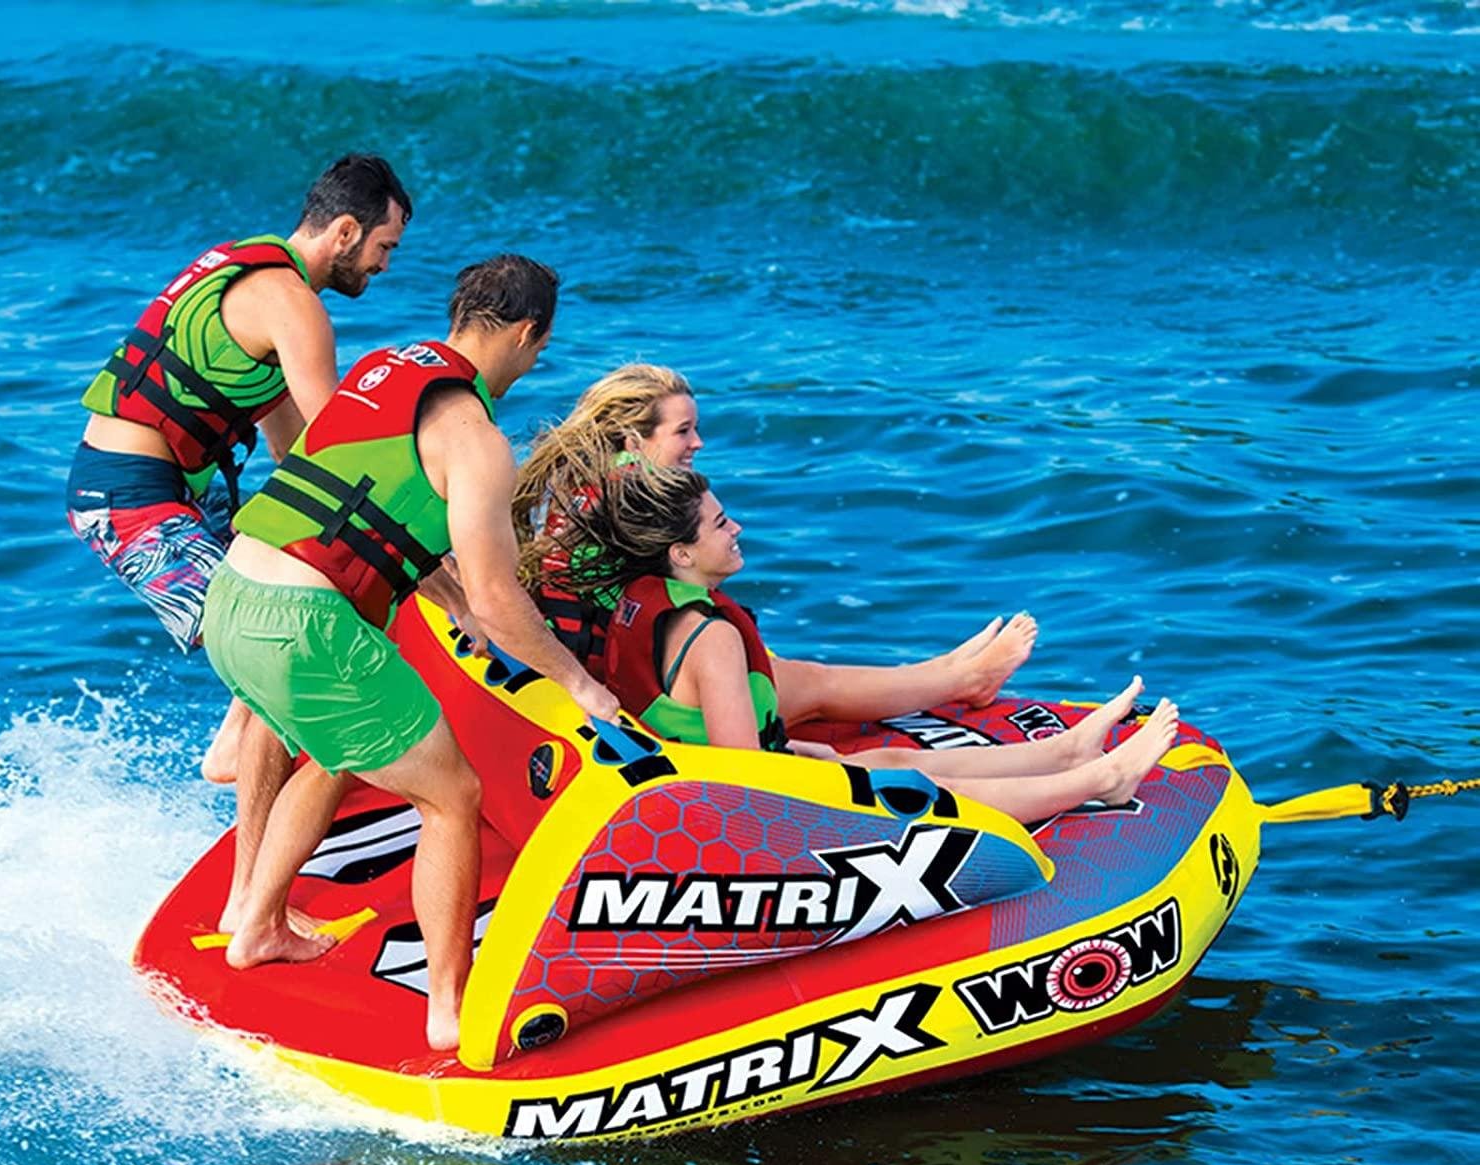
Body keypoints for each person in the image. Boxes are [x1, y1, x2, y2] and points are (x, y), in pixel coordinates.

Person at [201, 255, 620, 1054]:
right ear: (528, 334)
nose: (536, 363)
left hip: (233, 596)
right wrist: (579, 684)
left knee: (338, 753)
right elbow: (501, 597)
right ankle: (450, 1009)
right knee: (452, 796)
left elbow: (366, 511)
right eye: (540, 349)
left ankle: (254, 921)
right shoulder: (477, 440)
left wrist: (451, 602)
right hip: (307, 624)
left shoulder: (383, 369)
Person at [68, 152, 412, 784]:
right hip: (125, 497)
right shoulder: (293, 305)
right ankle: (237, 749)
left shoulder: (250, 271)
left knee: (311, 572)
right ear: (345, 232)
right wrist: (415, 529)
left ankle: (265, 739)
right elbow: (337, 446)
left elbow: (294, 449)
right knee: (271, 622)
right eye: (383, 247)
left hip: (170, 488)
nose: (384, 265)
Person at [591, 466, 1179, 824]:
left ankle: (1067, 752)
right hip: (742, 818)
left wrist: (798, 754)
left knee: (886, 761)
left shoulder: (647, 601)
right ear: (681, 554)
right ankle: (1099, 781)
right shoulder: (711, 636)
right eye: (720, 524)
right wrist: (797, 771)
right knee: (917, 791)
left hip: (695, 787)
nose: (737, 528)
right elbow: (744, 777)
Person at [512, 363, 1038, 696]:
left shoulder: (588, 485)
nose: (698, 443)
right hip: (629, 683)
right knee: (816, 684)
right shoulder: (629, 497)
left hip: (618, 661)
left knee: (786, 669)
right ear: (632, 439)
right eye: (683, 431)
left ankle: (946, 671)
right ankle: (963, 680)